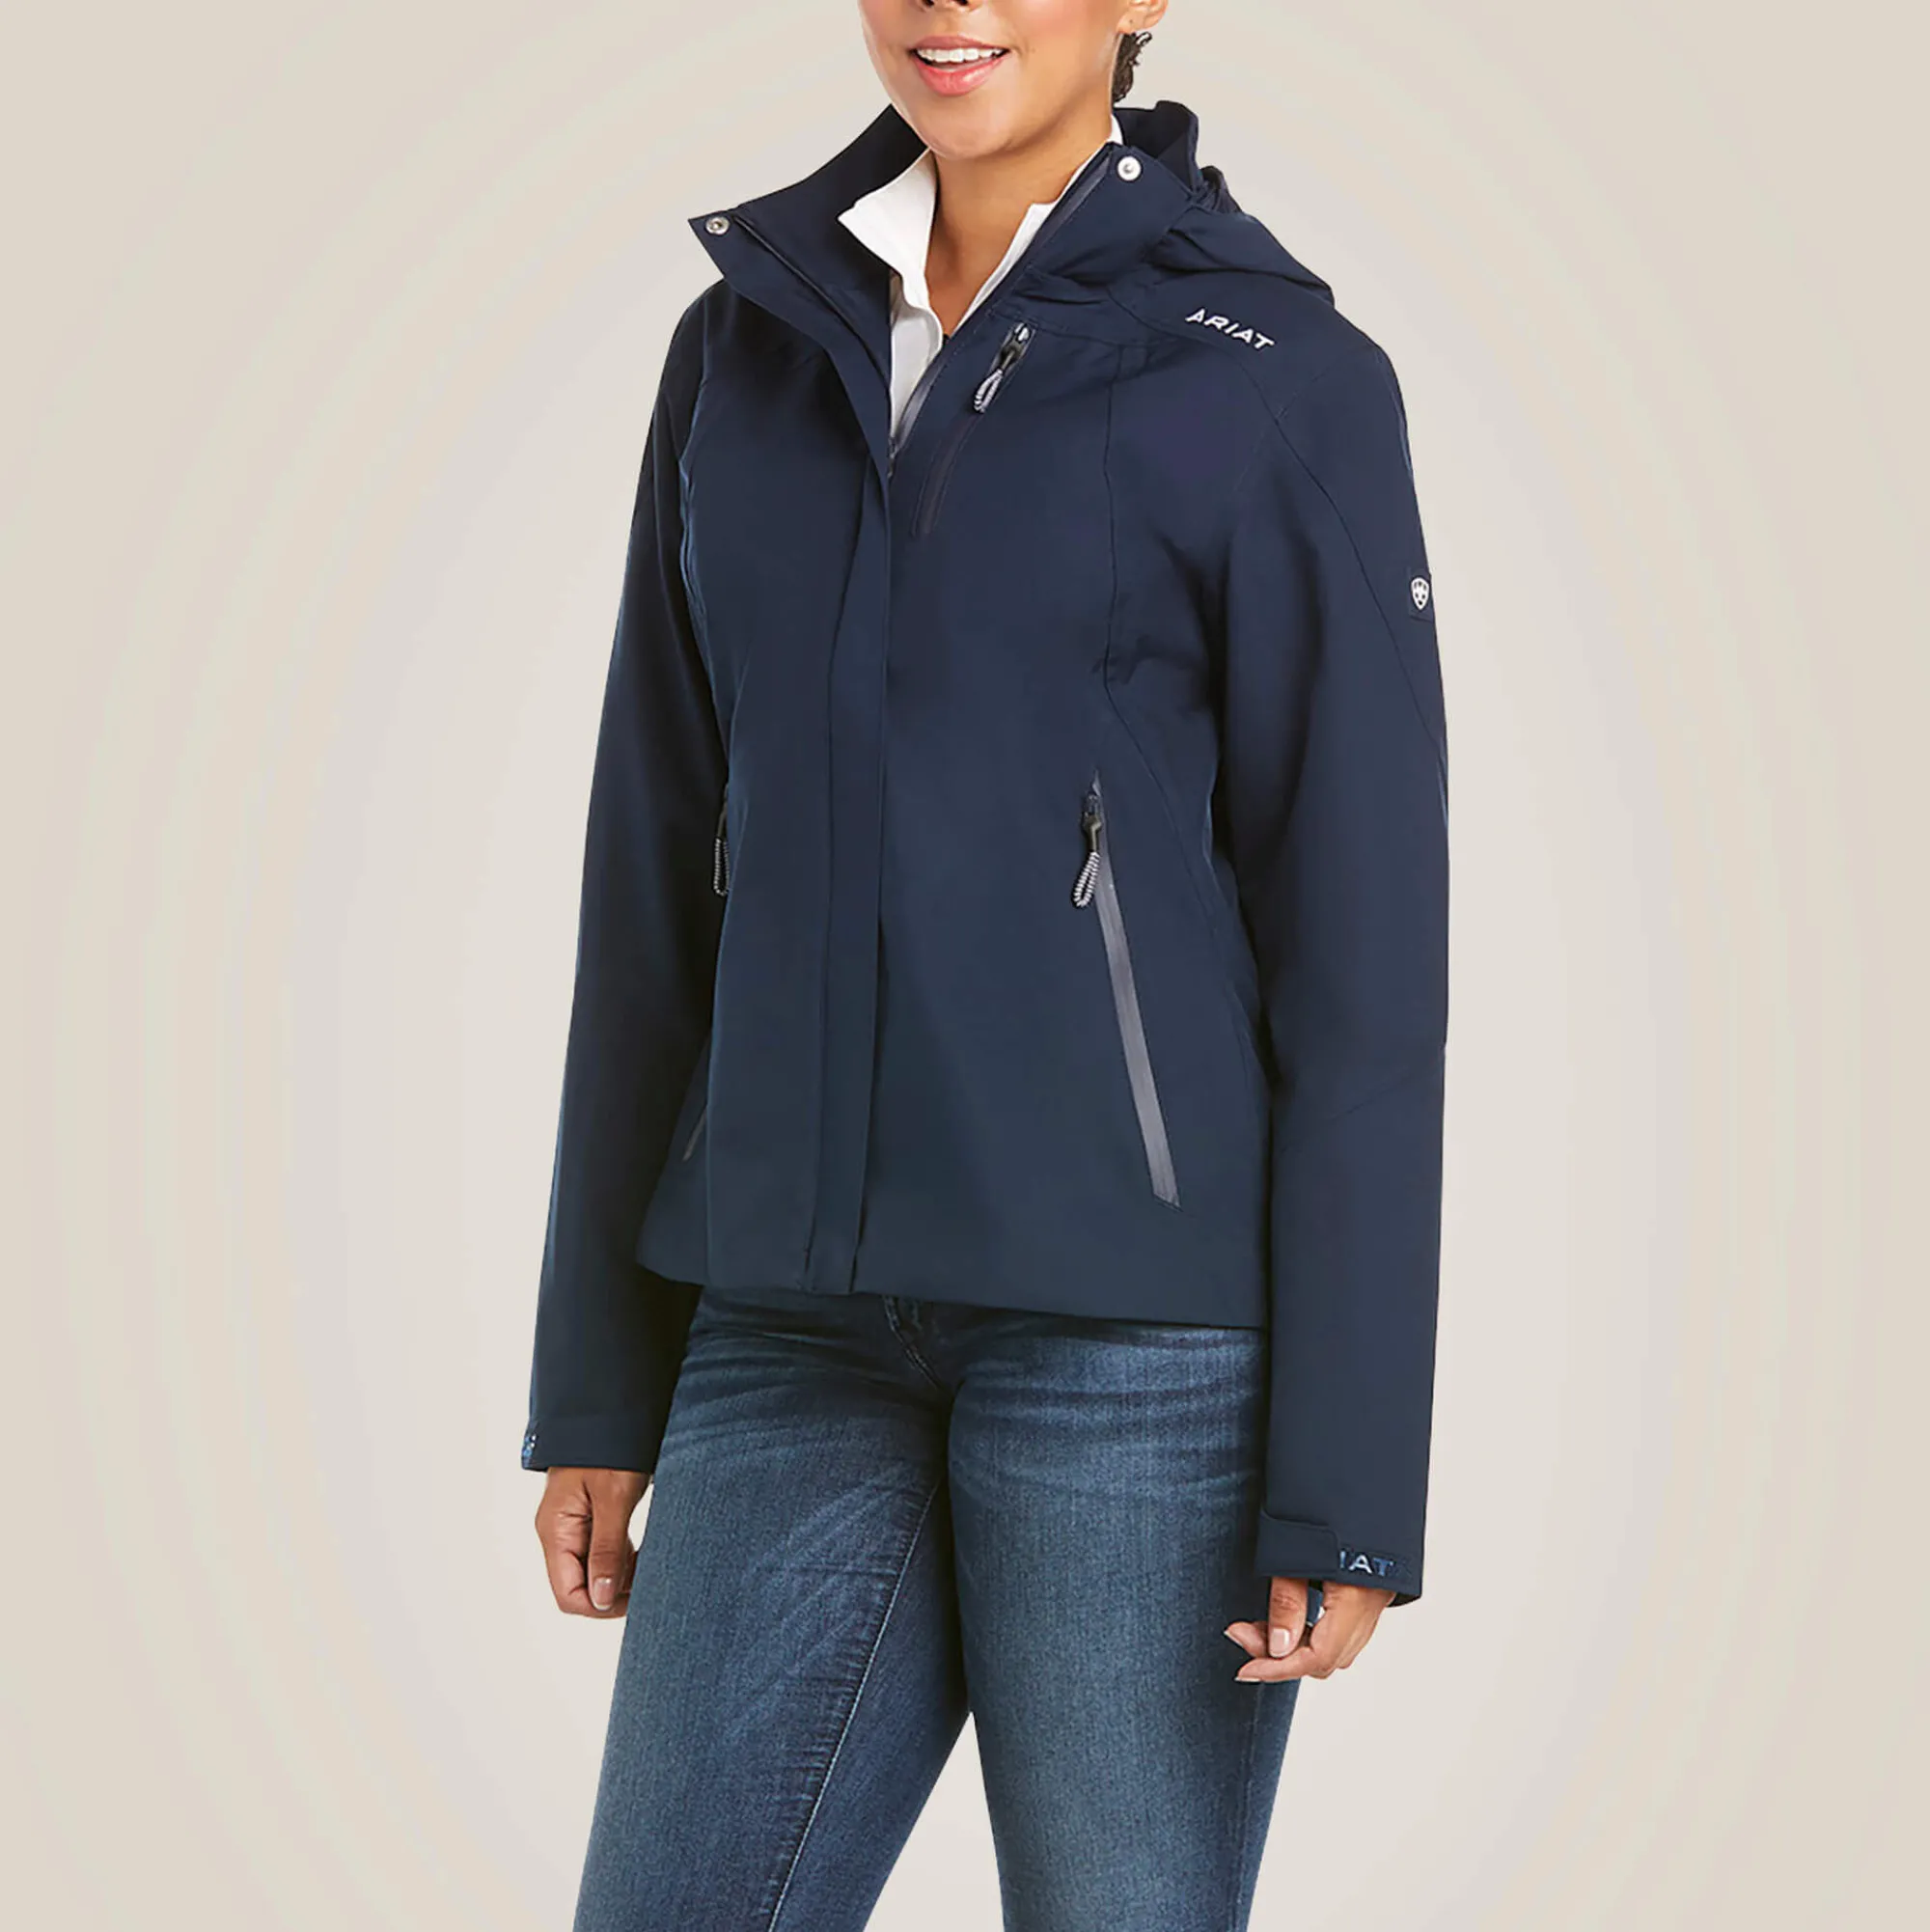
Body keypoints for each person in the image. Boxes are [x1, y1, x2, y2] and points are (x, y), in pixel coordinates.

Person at [523, 4, 1449, 1926]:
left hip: (1135, 1357)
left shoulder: (1274, 377)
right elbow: (654, 867)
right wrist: (599, 1379)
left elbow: (1364, 958)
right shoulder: (743, 352)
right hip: (783, 1325)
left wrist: (1349, 1477)